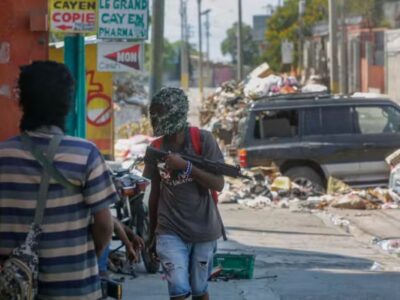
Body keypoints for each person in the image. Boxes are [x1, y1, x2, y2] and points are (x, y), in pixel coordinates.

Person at [0, 61, 117, 299]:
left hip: (13, 288)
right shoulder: (86, 154)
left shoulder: (3, 155)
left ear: (23, 101)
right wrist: (86, 259)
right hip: (75, 288)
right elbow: (105, 225)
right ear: (67, 104)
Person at [143, 88, 225, 300]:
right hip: (169, 229)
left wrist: (186, 167)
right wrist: (152, 234)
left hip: (204, 229)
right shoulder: (155, 149)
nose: (155, 118)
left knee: (199, 290)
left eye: (159, 112)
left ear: (175, 113)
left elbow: (218, 183)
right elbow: (155, 193)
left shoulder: (203, 140)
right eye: (153, 112)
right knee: (178, 289)